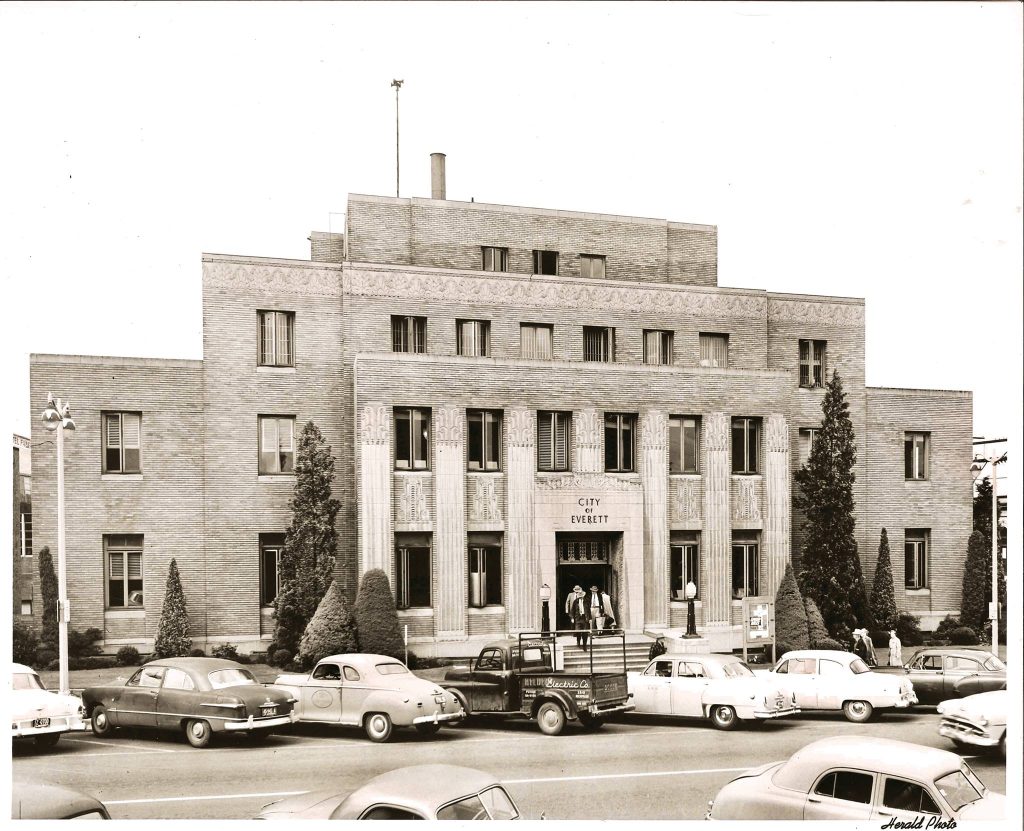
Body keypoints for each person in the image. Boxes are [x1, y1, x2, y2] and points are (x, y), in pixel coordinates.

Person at [567, 586, 590, 650]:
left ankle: (584, 645)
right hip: (578, 618)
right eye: (579, 596)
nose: (580, 597)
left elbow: (588, 610)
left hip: (585, 618)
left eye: (581, 596)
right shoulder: (575, 601)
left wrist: (589, 618)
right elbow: (572, 611)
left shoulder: (586, 601)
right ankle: (578, 641)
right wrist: (572, 618)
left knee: (585, 633)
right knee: (578, 631)